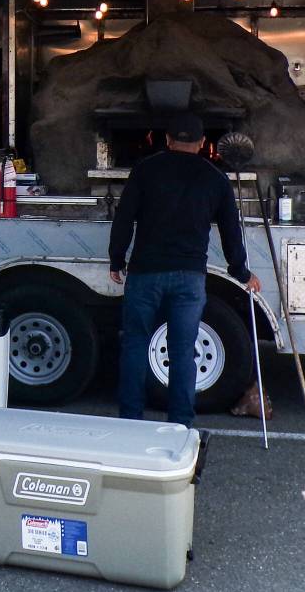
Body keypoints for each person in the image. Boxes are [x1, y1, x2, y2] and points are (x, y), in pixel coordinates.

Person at [108, 113, 262, 428]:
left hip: (145, 272)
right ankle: (180, 423)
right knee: (182, 349)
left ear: (166, 140)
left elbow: (124, 217)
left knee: (135, 342)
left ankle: (130, 420)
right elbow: (231, 231)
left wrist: (116, 259)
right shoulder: (216, 178)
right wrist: (241, 271)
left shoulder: (145, 170)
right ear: (203, 144)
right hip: (189, 277)